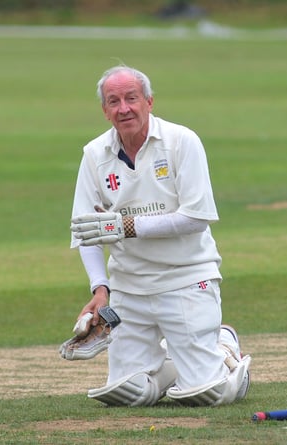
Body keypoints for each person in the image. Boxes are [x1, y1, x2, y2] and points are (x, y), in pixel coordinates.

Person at [68, 65, 251, 407]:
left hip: (186, 277)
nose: (124, 108)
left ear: (149, 101)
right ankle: (170, 364)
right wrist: (100, 290)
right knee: (127, 392)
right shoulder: (94, 155)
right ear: (105, 110)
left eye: (131, 98)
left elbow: (196, 218)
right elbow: (86, 231)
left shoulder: (182, 141)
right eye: (114, 101)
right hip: (129, 288)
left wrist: (127, 226)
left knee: (208, 394)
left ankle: (224, 348)